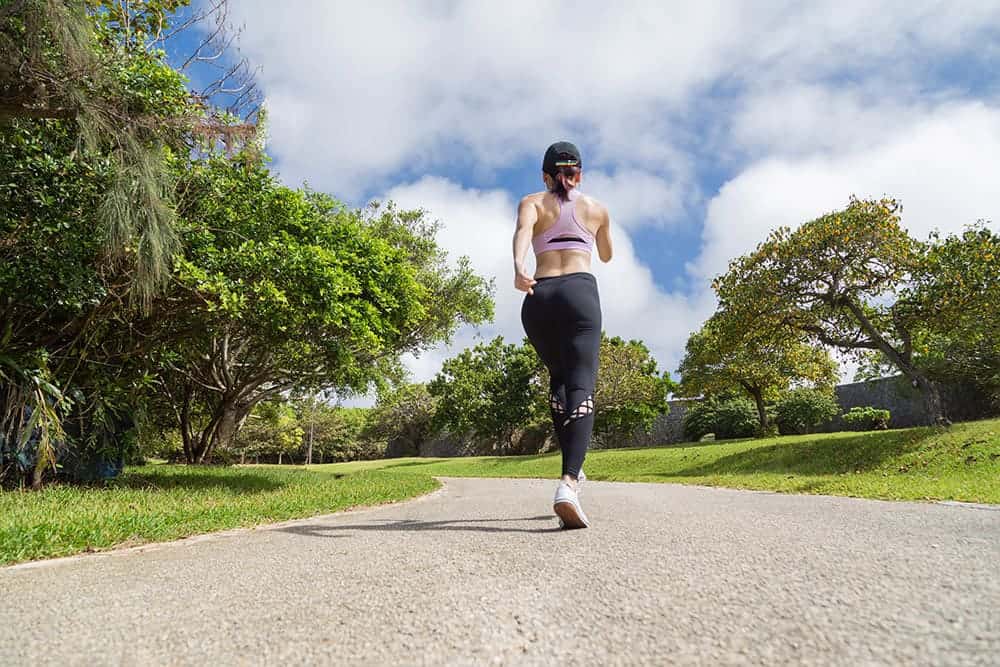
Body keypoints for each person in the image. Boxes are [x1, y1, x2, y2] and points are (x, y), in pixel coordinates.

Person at [512, 141, 613, 529]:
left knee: (559, 382)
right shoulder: (597, 208)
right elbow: (605, 255)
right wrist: (597, 228)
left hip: (538, 297)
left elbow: (523, 233)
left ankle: (572, 465)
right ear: (579, 174)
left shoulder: (532, 202)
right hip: (578, 294)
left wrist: (519, 267)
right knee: (582, 385)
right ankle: (569, 482)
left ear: (544, 174)